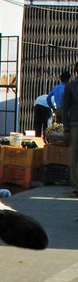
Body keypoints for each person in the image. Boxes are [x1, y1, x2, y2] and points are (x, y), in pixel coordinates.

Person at [59, 61, 78, 196]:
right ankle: (76, 186)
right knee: (75, 157)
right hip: (75, 125)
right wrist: (65, 128)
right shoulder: (71, 86)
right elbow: (65, 108)